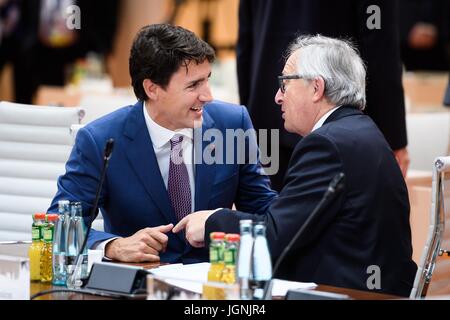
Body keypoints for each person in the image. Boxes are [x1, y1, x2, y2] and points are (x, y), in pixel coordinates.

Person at [174, 35, 417, 297]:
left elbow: (273, 239)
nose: (278, 96)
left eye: (284, 84)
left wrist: (212, 221)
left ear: (316, 88)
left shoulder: (326, 145)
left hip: (344, 291)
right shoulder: (361, 131)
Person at [48, 24, 277, 264]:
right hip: (141, 283)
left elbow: (263, 210)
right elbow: (59, 225)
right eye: (193, 85)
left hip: (216, 281)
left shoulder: (232, 123)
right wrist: (113, 246)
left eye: (207, 80)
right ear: (152, 89)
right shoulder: (100, 140)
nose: (208, 95)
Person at [237, 0, 410, 191]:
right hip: (338, 129)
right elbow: (378, 39)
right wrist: (392, 137)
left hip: (267, 115)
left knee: (271, 214)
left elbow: (245, 42)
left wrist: (249, 114)